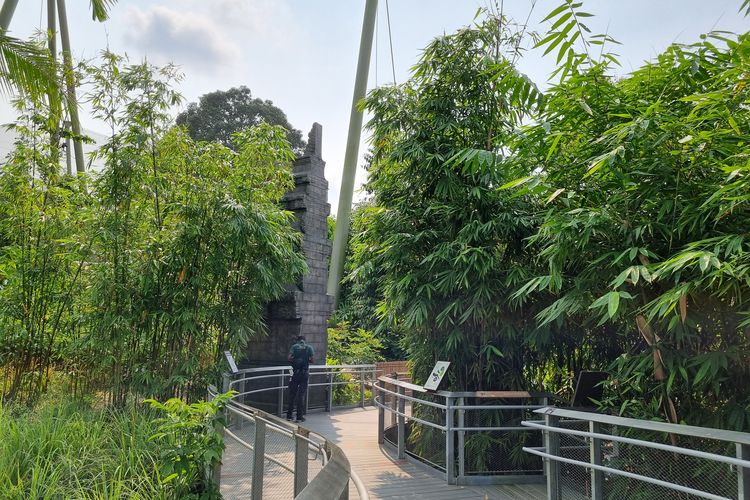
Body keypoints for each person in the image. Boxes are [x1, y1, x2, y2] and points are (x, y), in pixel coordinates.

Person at [286, 335, 314, 422]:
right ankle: (299, 417)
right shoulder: (309, 348)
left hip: (295, 373)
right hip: (304, 373)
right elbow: (312, 360)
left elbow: (289, 358)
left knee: (292, 394)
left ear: (297, 341)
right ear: (304, 340)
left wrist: (296, 359)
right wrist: (306, 360)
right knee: (301, 395)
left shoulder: (294, 347)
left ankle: (289, 416)